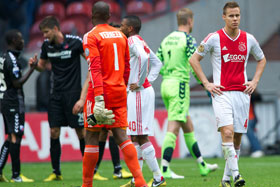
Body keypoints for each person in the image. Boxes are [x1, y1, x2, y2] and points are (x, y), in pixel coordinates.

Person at [189, 1, 266, 187]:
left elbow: (262, 59)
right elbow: (194, 59)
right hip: (221, 93)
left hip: (242, 94)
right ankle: (237, 175)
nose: (235, 19)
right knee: (228, 132)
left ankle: (225, 179)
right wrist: (207, 83)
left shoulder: (249, 39)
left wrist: (254, 81)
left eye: (237, 15)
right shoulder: (214, 38)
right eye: (231, 16)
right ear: (223, 17)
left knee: (237, 137)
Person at [81, 1, 147, 187]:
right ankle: (140, 182)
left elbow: (95, 68)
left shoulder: (90, 36)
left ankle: (87, 184)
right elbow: (127, 66)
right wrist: (123, 87)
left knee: (92, 136)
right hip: (119, 92)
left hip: (98, 94)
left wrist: (100, 98)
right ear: (109, 16)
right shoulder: (120, 35)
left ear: (92, 15)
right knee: (122, 137)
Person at [156, 8, 218, 179]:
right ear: (190, 21)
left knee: (187, 126)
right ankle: (165, 169)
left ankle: (202, 165)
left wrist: (166, 75)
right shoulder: (188, 39)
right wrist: (204, 84)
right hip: (179, 86)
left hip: (166, 84)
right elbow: (194, 63)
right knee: (174, 125)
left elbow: (156, 61)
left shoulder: (166, 39)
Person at [28, 16, 86, 181]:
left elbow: (90, 60)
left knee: (80, 132)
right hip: (56, 95)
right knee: (54, 131)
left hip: (74, 94)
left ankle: (90, 170)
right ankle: (56, 172)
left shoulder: (75, 42)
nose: (44, 36)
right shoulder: (47, 46)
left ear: (55, 29)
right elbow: (41, 66)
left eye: (46, 32)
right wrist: (34, 65)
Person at [119, 15, 166, 187]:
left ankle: (158, 177)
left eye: (122, 25)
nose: (120, 28)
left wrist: (139, 82)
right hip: (140, 91)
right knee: (135, 137)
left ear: (130, 28)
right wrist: (148, 80)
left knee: (140, 136)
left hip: (139, 93)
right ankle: (136, 179)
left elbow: (145, 59)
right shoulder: (141, 40)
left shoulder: (132, 41)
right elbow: (157, 63)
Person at [92, 22, 133, 181]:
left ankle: (97, 170)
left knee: (104, 132)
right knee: (106, 132)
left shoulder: (120, 48)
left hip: (110, 92)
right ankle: (115, 170)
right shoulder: (105, 52)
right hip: (105, 93)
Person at [0, 30, 37, 182]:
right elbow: (16, 83)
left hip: (5, 100)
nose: (23, 41)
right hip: (13, 101)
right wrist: (32, 69)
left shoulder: (3, 57)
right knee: (15, 137)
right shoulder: (12, 60)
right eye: (20, 39)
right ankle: (16, 175)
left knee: (12, 137)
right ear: (14, 40)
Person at [247, 89, 264, 158]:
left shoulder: (251, 94)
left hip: (250, 118)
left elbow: (259, 98)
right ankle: (255, 149)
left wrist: (253, 90)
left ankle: (257, 149)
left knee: (250, 133)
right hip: (242, 118)